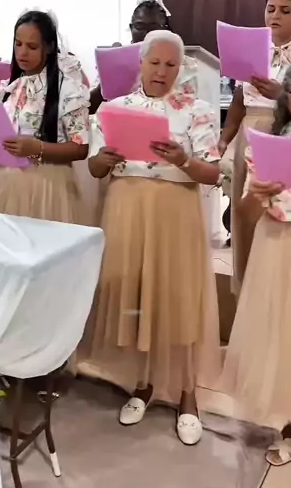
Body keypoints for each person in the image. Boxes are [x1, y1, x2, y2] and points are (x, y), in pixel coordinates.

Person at [78, 30, 221, 445]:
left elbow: (213, 173)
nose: (161, 71)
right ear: (140, 63)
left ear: (181, 68)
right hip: (126, 209)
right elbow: (94, 169)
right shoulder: (114, 108)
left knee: (179, 299)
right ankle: (142, 384)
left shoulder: (197, 110)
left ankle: (187, 395)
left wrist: (184, 160)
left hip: (175, 214)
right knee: (137, 298)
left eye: (170, 64)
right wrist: (104, 159)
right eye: (154, 62)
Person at [222, 66, 291, 466]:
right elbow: (245, 213)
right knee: (280, 332)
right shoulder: (270, 142)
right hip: (275, 245)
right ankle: (287, 422)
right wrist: (259, 194)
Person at [0, 10, 89, 223]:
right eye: (18, 44)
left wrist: (38, 148)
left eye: (32, 46)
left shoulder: (68, 89)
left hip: (48, 183)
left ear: (49, 47)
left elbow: (80, 148)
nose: (22, 52)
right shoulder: (11, 87)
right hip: (7, 181)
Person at [219, 0, 291, 290]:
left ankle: (272, 289)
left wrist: (281, 94)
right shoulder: (253, 49)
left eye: (285, 11)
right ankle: (244, 290)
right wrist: (225, 139)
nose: (275, 16)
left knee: (270, 213)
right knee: (243, 215)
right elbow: (238, 101)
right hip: (247, 136)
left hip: (280, 135)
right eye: (270, 9)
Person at [89, 0, 198, 115]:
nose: (146, 33)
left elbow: (190, 108)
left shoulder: (184, 64)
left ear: (165, 29)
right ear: (131, 28)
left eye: (154, 27)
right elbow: (89, 110)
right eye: (140, 26)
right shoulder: (115, 59)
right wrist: (105, 85)